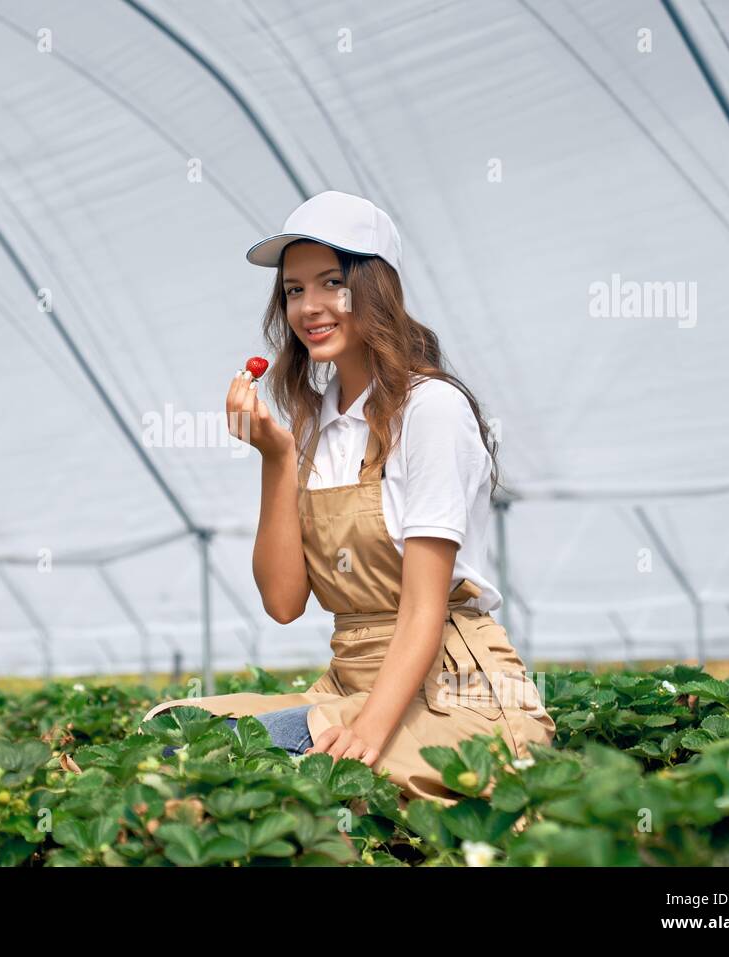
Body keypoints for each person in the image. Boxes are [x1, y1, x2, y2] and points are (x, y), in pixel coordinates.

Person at [142, 190, 555, 806]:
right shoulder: (313, 428)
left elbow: (422, 608)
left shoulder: (430, 410)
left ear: (376, 288)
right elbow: (283, 603)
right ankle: (321, 742)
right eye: (293, 290)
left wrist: (365, 733)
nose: (309, 307)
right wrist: (277, 460)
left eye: (331, 283)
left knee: (286, 761)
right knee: (166, 730)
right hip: (347, 685)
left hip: (460, 689)